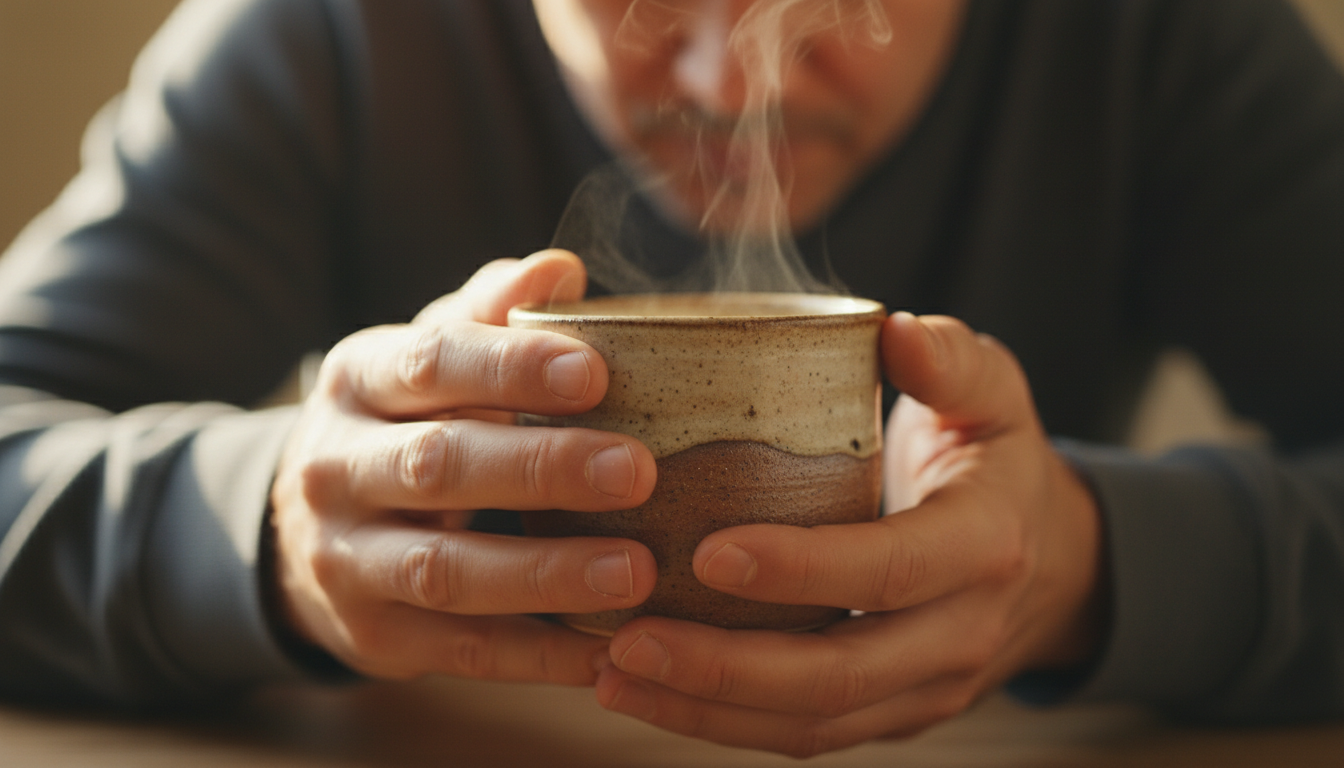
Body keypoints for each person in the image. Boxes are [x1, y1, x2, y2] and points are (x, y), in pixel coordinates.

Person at [0, 0, 1341, 757]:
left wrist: (1096, 567)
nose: (722, 66)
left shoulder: (1162, 37)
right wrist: (267, 530)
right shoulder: (331, 37)